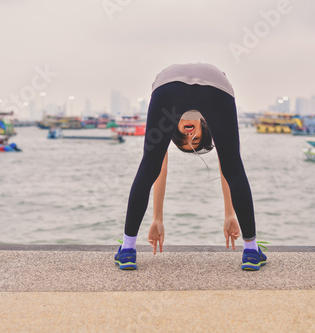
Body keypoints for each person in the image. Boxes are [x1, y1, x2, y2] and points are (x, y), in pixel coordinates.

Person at [114, 63, 267, 271]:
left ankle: (126, 249)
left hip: (169, 87)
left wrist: (229, 214)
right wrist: (157, 218)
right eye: (193, 139)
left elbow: (225, 167)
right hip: (213, 86)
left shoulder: (183, 119)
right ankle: (251, 250)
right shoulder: (194, 118)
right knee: (152, 165)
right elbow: (160, 170)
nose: (189, 134)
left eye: (190, 139)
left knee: (148, 166)